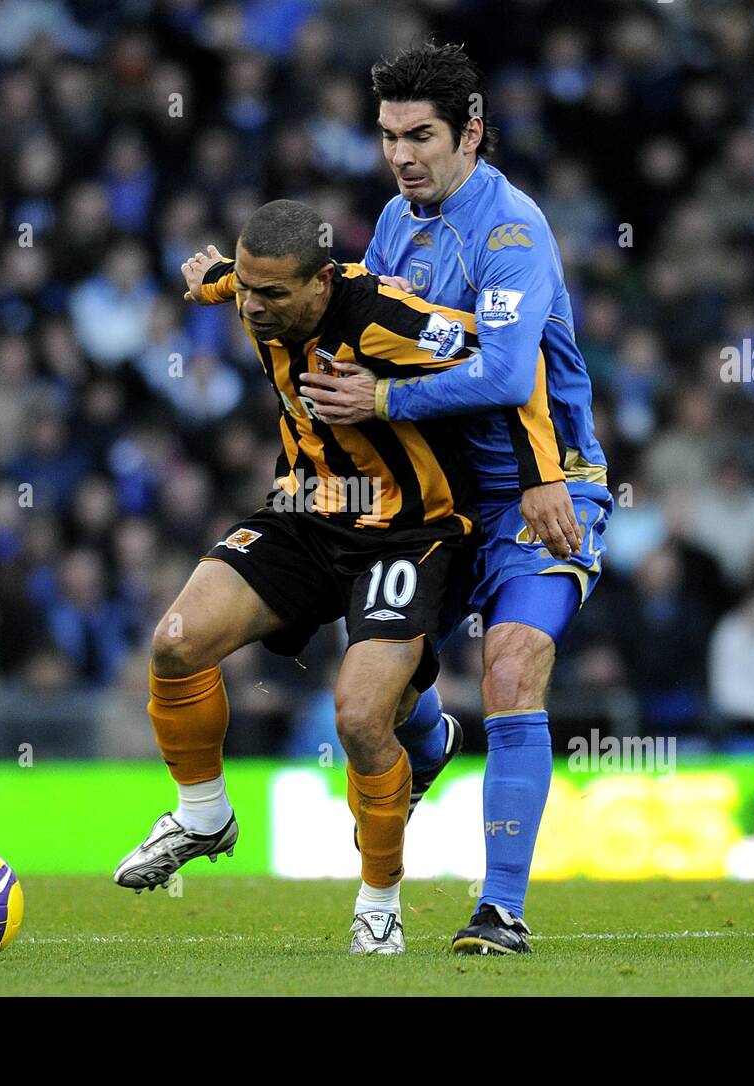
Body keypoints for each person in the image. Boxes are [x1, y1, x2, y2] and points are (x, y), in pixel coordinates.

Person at [299, 43, 612, 954]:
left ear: (470, 131)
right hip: (434, 504)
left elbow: (512, 372)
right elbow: (362, 326)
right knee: (379, 695)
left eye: (422, 135)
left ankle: (500, 910)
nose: (402, 154)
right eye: (389, 134)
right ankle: (428, 737)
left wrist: (386, 399)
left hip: (540, 490)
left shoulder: (511, 232)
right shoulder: (395, 224)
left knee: (513, 663)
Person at [114, 198, 487, 954]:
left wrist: (386, 396)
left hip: (404, 534)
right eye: (244, 289)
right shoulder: (249, 288)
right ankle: (203, 814)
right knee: (177, 641)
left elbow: (503, 359)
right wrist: (210, 277)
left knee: (357, 718)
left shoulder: (385, 316)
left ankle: (379, 904)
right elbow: (221, 279)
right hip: (303, 515)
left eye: (271, 295)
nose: (252, 307)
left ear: (321, 283)